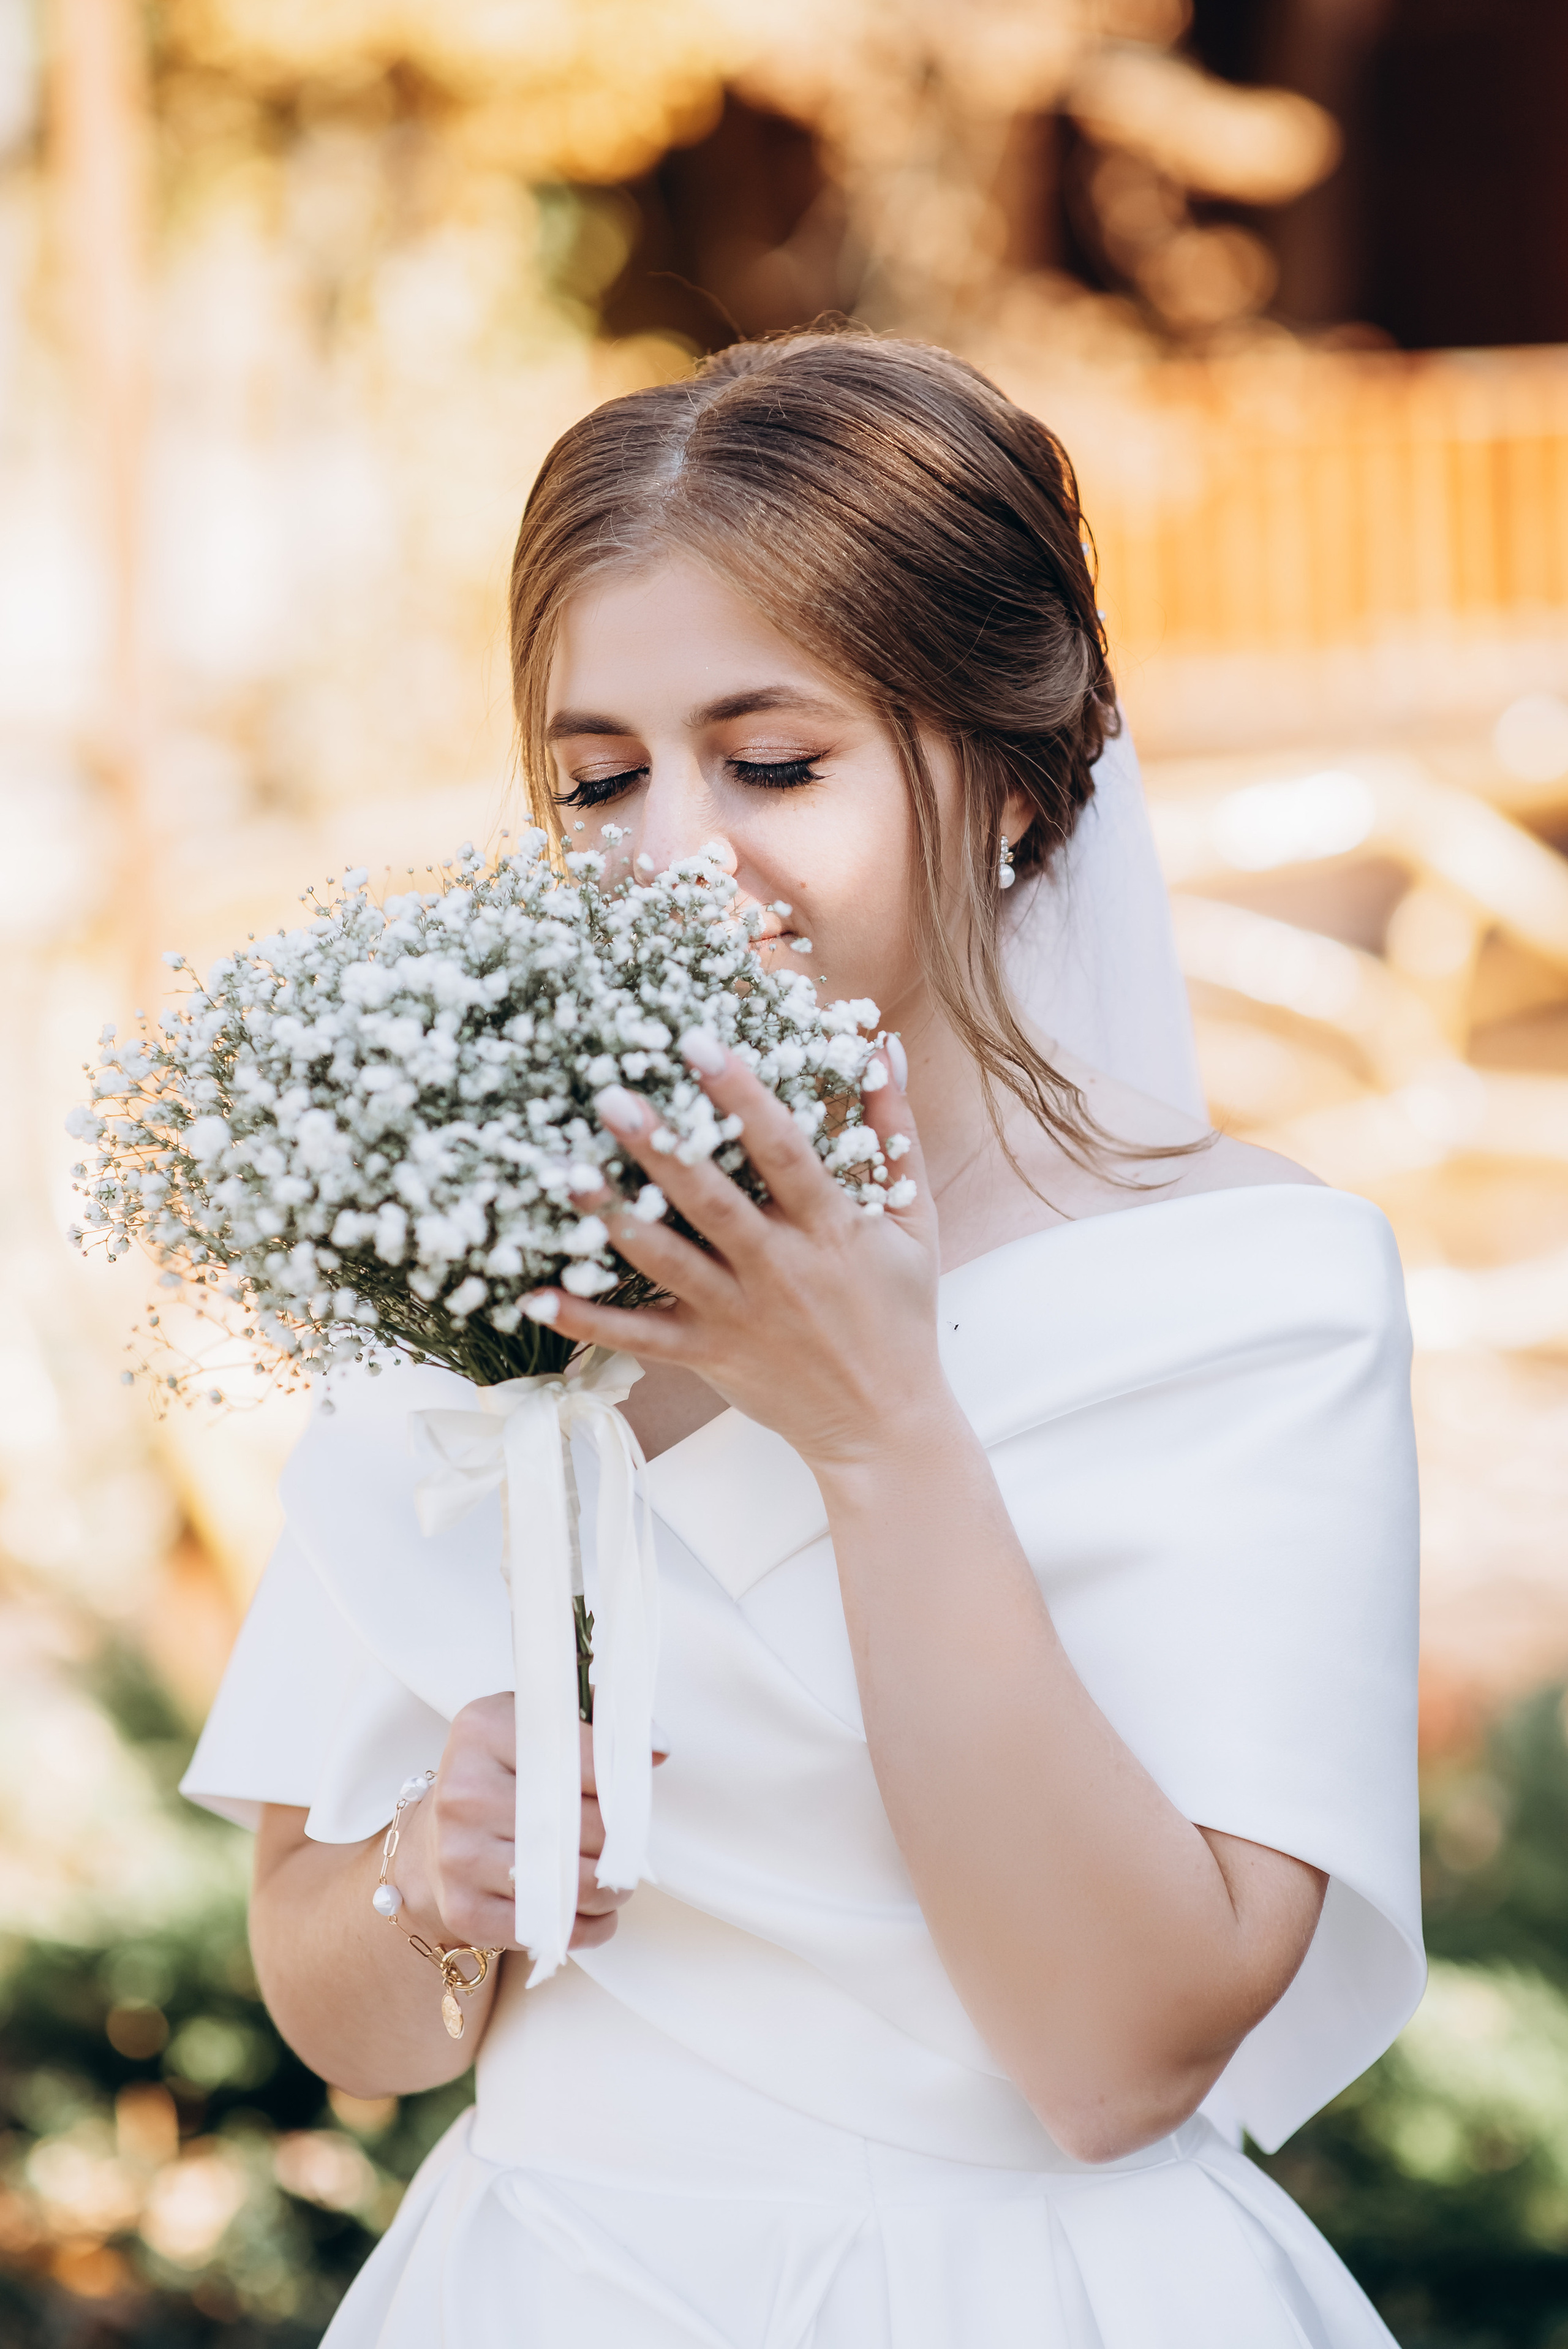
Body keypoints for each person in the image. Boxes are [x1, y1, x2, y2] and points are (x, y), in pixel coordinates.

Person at [183, 330, 1422, 2347]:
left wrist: (879, 1431)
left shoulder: (1248, 1292)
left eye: (772, 762)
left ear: (1014, 780)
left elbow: (1125, 2058)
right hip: (542, 2284)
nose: (675, 851)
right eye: (599, 777)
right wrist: (430, 1872)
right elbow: (344, 2019)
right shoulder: (476, 1254)